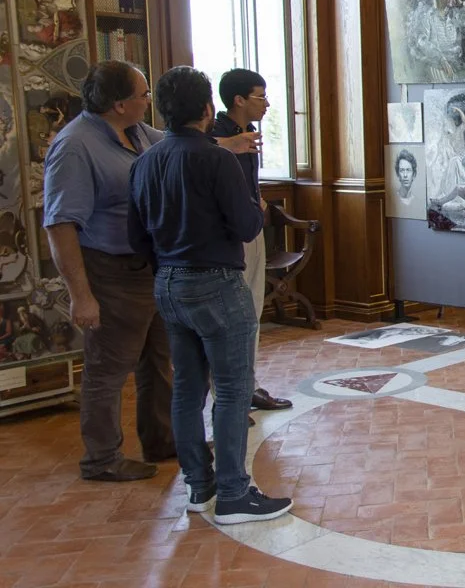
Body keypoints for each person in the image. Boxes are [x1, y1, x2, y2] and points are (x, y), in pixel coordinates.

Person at [129, 66, 292, 524]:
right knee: (234, 390)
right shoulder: (215, 159)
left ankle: (199, 488)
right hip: (216, 281)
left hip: (168, 283)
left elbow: (136, 237)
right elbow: (245, 225)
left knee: (186, 389)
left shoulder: (145, 162)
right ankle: (236, 495)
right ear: (206, 109)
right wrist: (256, 214)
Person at [43, 61, 173, 481]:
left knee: (160, 360)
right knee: (108, 370)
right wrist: (82, 295)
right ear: (120, 104)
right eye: (143, 95)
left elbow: (177, 147)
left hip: (147, 268)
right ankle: (101, 459)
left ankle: (162, 439)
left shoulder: (137, 133)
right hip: (109, 272)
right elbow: (60, 225)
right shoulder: (75, 146)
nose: (149, 101)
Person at [212, 69, 292, 416]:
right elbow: (190, 150)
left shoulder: (249, 132)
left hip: (251, 226)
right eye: (260, 96)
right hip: (226, 236)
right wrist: (228, 146)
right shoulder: (214, 134)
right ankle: (227, 398)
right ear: (239, 100)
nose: (267, 103)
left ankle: (247, 386)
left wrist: (257, 201)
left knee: (252, 311)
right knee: (232, 315)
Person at [426, 94, 465, 229]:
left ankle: (446, 200)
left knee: (454, 164)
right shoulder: (450, 136)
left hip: (461, 161)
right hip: (456, 160)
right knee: (451, 165)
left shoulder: (460, 131)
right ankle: (444, 198)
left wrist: (458, 111)